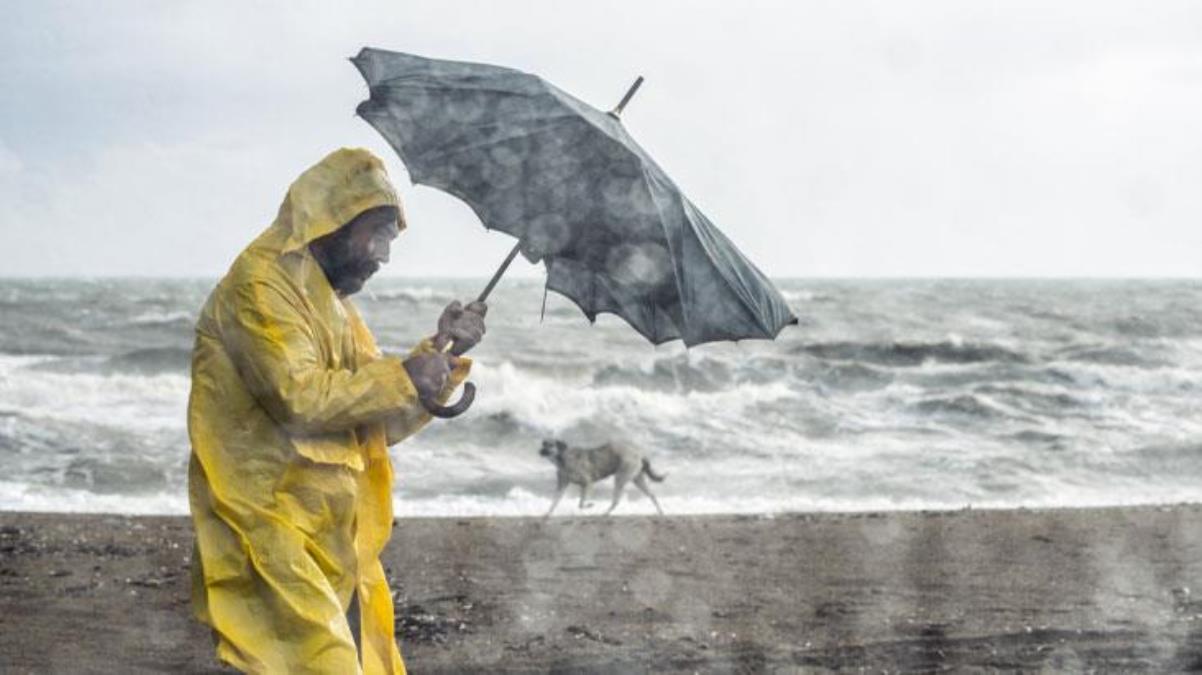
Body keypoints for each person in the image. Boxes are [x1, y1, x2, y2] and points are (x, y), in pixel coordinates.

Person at [187, 148, 485, 674]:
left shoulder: (329, 302)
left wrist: (441, 352)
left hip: (327, 528)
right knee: (322, 664)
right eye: (378, 235)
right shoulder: (261, 288)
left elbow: (373, 420)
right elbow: (299, 398)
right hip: (267, 518)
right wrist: (405, 377)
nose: (384, 255)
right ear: (331, 220)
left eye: (390, 240)